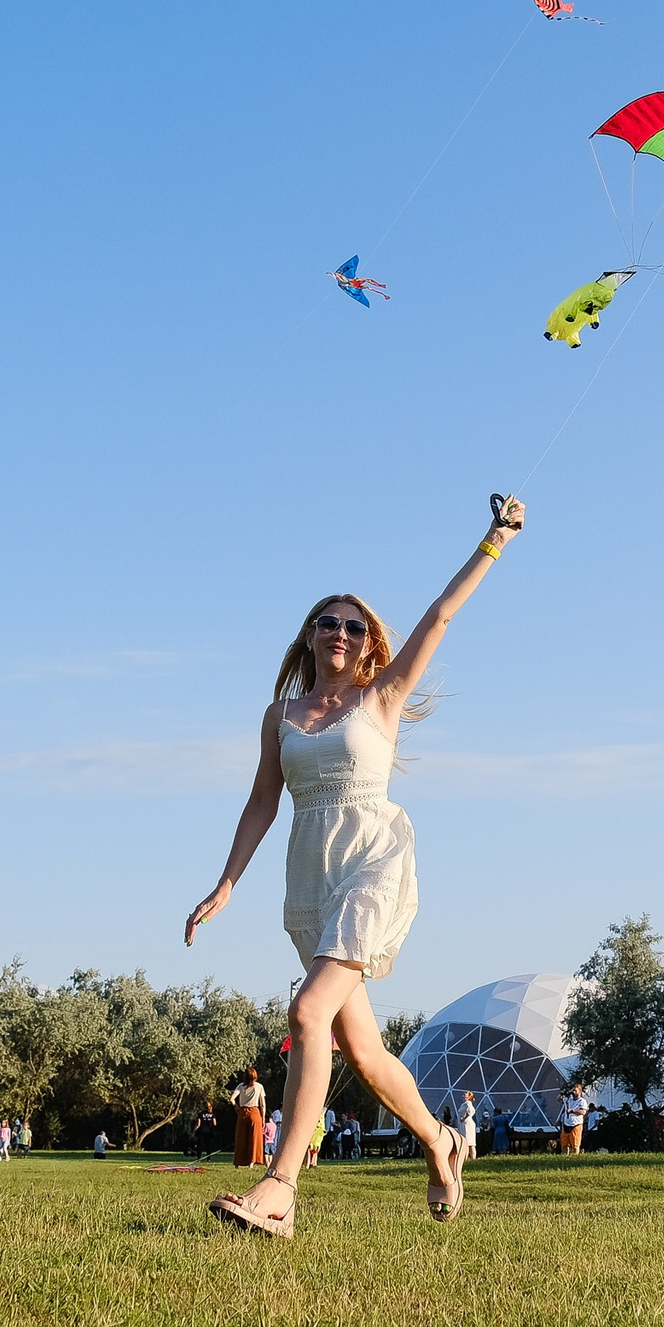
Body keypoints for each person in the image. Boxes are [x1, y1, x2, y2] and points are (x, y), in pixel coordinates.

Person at [187, 496, 524, 1237]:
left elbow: (438, 615)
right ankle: (442, 1143)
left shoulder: (381, 697)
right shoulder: (280, 717)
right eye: (327, 621)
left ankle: (280, 1187)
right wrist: (226, 882)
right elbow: (260, 803)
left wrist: (492, 542)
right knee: (364, 1052)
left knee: (307, 1012)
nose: (340, 631)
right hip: (309, 875)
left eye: (354, 624)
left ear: (367, 641)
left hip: (373, 860)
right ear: (307, 636)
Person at [230, 1069, 267, 1167]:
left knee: (241, 1137)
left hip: (243, 1112)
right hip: (254, 1112)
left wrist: (237, 1108)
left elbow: (232, 1099)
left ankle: (238, 1162)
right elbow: (262, 1104)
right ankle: (252, 1162)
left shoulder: (241, 1086)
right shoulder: (259, 1086)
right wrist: (263, 1118)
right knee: (254, 1138)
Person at [562, 1084, 592, 1155]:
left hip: (576, 1125)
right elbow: (558, 1099)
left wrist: (572, 1111)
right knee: (564, 1143)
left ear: (580, 1091)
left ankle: (575, 1156)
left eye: (575, 1090)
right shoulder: (569, 1099)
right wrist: (563, 1093)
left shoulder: (582, 1101)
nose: (574, 1092)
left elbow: (583, 1112)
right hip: (567, 1124)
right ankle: (564, 1156)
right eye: (573, 1090)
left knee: (575, 1144)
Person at [458, 1090, 479, 1163]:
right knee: (469, 1143)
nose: (463, 1094)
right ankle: (469, 1159)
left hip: (467, 1124)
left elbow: (471, 1111)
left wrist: (464, 1118)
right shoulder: (465, 1103)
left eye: (465, 1093)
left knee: (468, 1143)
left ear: (469, 1096)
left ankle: (467, 1159)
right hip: (465, 1124)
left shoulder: (468, 1103)